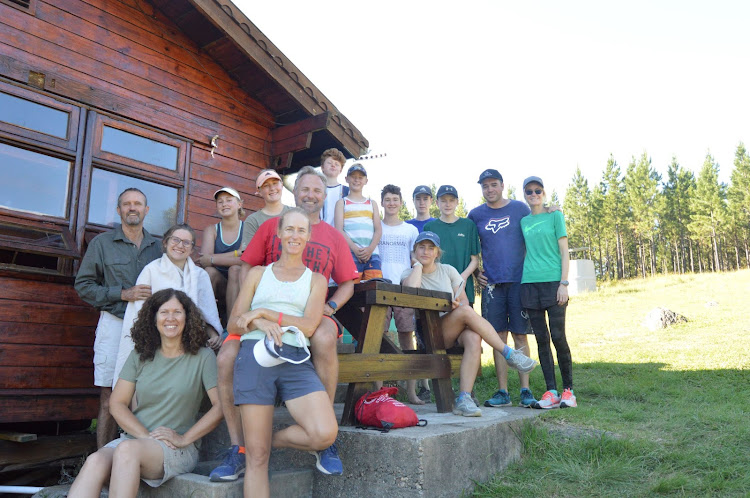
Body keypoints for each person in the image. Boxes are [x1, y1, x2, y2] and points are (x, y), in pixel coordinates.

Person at [209, 166, 358, 481]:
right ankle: (238, 448)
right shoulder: (275, 226)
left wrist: (330, 306)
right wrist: (238, 323)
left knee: (324, 339)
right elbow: (245, 269)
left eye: (317, 190)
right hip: (262, 316)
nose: (310, 195)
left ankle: (322, 434)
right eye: (304, 189)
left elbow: (347, 283)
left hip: (313, 313)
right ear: (297, 193)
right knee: (225, 358)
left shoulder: (334, 236)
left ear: (324, 196)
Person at [68, 289, 222, 497]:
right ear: (153, 317)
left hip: (175, 448)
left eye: (177, 312)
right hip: (136, 438)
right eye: (163, 312)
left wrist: (184, 438)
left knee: (127, 450)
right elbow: (117, 403)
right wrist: (144, 436)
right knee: (95, 460)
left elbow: (220, 406)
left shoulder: (203, 357)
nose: (170, 318)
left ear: (188, 317)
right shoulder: (140, 355)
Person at [232, 208, 337, 496]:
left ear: (308, 237)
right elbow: (234, 321)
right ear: (278, 233)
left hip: (295, 357)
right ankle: (257, 445)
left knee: (324, 433)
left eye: (301, 230)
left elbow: (309, 325)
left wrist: (267, 312)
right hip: (255, 354)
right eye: (289, 229)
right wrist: (260, 322)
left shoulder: (316, 279)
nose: (294, 235)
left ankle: (268, 438)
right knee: (257, 458)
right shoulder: (257, 273)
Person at [401, 231, 537, 417]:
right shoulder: (408, 273)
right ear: (414, 250)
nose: (425, 251)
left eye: (430, 248)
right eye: (421, 247)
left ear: (437, 253)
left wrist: (455, 306)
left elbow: (463, 301)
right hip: (429, 334)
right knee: (466, 312)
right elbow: (410, 291)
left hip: (452, 329)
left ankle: (464, 399)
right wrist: (417, 266)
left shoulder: (448, 270)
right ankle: (508, 353)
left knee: (473, 336)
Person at [74, 188, 163, 447]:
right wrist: (123, 294)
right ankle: (102, 463)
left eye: (138, 204)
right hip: (114, 324)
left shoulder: (158, 247)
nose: (132, 208)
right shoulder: (102, 244)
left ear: (146, 211)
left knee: (147, 393)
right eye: (127, 204)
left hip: (150, 329)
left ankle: (143, 456)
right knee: (109, 395)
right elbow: (83, 286)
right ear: (119, 210)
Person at [112, 223, 223, 386]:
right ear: (165, 242)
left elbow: (206, 314)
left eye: (187, 242)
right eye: (175, 240)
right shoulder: (151, 271)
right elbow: (140, 312)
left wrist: (214, 335)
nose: (180, 245)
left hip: (189, 341)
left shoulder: (200, 276)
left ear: (192, 249)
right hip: (156, 341)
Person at [468, 169, 536, 409]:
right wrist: (477, 273)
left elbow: (535, 229)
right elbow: (470, 247)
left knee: (520, 334)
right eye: (485, 186)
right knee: (498, 338)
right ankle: (503, 391)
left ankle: (525, 390)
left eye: (493, 185)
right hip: (492, 285)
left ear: (502, 185)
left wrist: (551, 210)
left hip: (519, 281)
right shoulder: (475, 215)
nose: (490, 189)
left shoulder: (519, 209)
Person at [520, 176, 576, 409]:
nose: (534, 195)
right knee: (542, 340)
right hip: (530, 283)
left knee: (558, 336)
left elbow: (564, 252)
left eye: (538, 191)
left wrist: (563, 283)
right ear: (525, 195)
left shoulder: (556, 216)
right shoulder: (523, 221)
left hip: (554, 282)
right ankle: (551, 391)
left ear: (544, 193)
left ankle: (568, 392)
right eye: (529, 192)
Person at [377, 184, 422, 404]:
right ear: (382, 202)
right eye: (387, 199)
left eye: (395, 199)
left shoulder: (411, 231)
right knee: (377, 338)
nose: (392, 203)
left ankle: (411, 392)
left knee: (407, 338)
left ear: (401, 203)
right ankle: (378, 391)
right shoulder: (377, 228)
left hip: (403, 289)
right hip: (380, 288)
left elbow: (415, 260)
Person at [424, 185, 480, 309]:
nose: (447, 204)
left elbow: (475, 260)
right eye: (443, 201)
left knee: (465, 326)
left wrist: (461, 278)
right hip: (437, 287)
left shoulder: (468, 226)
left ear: (457, 202)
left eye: (451, 200)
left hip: (463, 288)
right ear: (437, 203)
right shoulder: (430, 227)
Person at [196, 187, 245, 319]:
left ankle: (231, 328)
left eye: (229, 200)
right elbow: (205, 261)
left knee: (235, 269)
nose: (224, 204)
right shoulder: (212, 230)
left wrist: (213, 258)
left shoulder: (247, 228)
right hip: (219, 286)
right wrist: (236, 253)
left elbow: (243, 259)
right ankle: (202, 324)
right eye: (220, 202)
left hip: (241, 285)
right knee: (209, 272)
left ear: (239, 204)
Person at [334, 163, 383, 282]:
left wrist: (370, 249)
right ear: (347, 179)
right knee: (351, 289)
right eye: (353, 176)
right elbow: (339, 229)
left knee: (374, 289)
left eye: (360, 177)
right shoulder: (342, 203)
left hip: (372, 255)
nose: (357, 180)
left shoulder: (372, 203)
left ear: (366, 181)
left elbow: (378, 229)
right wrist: (355, 249)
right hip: (350, 254)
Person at [239, 169, 292, 247]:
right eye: (266, 185)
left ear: (282, 185)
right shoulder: (253, 221)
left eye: (275, 183)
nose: (272, 188)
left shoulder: (295, 213)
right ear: (259, 191)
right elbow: (249, 254)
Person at [319, 148, 348, 226]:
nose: (333, 165)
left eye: (337, 164)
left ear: (341, 170)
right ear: (322, 167)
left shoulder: (347, 191)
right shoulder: (315, 189)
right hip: (318, 234)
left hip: (339, 234)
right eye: (329, 163)